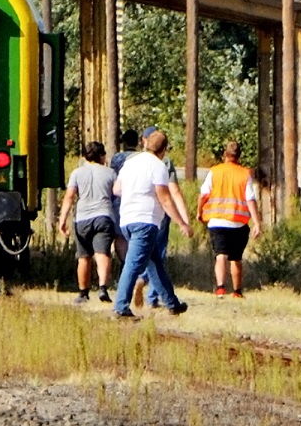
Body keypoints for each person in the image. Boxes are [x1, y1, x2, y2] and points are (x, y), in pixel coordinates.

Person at [112, 129, 193, 319]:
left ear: (145, 143)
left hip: (127, 220)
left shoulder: (130, 163)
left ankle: (172, 304)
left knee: (154, 263)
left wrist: (134, 193)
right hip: (145, 220)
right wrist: (182, 223)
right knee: (133, 265)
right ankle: (121, 306)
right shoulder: (158, 166)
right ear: (164, 149)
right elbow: (165, 198)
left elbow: (116, 189)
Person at [197, 141, 261, 298]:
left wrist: (199, 212)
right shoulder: (245, 174)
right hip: (238, 223)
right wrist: (257, 223)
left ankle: (220, 288)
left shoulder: (215, 171)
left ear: (225, 155)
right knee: (236, 258)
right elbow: (250, 199)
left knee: (221, 255)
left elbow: (204, 195)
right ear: (239, 156)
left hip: (217, 221)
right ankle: (237, 291)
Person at [57, 141, 118, 303]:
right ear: (102, 156)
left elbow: (69, 197)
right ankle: (103, 287)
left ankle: (83, 293)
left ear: (85, 157)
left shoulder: (77, 173)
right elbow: (118, 194)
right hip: (104, 216)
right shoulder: (110, 173)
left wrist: (62, 220)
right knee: (102, 253)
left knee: (84, 257)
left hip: (82, 218)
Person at [136, 125, 188, 310]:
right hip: (159, 213)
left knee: (144, 253)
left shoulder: (132, 160)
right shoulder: (164, 163)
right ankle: (152, 297)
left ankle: (140, 280)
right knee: (158, 253)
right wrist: (183, 219)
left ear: (144, 141)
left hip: (135, 213)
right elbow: (173, 191)